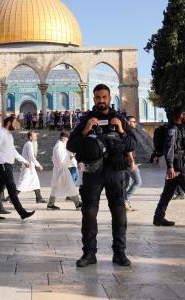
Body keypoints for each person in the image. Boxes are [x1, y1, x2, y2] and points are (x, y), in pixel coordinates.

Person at [67, 84, 136, 267]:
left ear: (109, 97)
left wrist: (121, 130)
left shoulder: (118, 117)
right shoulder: (86, 119)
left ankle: (119, 253)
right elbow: (71, 146)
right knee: (89, 213)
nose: (101, 100)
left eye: (104, 97)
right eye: (98, 97)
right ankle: (89, 254)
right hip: (93, 173)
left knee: (119, 212)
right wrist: (85, 129)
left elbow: (132, 144)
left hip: (115, 171)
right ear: (94, 98)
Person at [0, 116, 35, 220]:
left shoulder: (9, 135)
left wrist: (24, 161)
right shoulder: (0, 133)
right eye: (14, 122)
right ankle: (22, 213)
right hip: (2, 164)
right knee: (12, 188)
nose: (16, 124)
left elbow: (13, 151)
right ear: (9, 123)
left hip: (8, 165)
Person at [8, 131, 46, 204]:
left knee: (36, 182)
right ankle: (11, 197)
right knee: (22, 184)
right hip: (28, 167)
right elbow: (31, 157)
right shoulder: (29, 144)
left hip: (30, 167)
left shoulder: (29, 144)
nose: (36, 137)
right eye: (35, 136)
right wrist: (38, 165)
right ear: (30, 137)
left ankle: (39, 198)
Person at [48, 131, 82, 210]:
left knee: (56, 187)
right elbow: (61, 160)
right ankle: (78, 203)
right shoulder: (59, 146)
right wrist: (69, 158)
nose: (68, 141)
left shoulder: (60, 145)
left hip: (60, 169)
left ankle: (50, 204)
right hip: (62, 170)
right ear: (64, 138)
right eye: (67, 139)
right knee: (70, 186)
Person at [124, 116, 142, 211]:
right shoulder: (128, 133)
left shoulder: (126, 131)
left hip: (126, 162)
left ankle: (125, 203)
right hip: (129, 162)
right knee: (138, 182)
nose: (135, 123)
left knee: (127, 183)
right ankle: (125, 199)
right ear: (128, 122)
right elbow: (129, 150)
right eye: (133, 121)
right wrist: (132, 163)